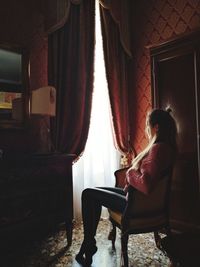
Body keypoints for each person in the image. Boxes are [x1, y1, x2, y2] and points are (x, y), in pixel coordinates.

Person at [75, 108, 177, 266]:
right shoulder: (168, 148)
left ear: (156, 127)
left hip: (136, 205)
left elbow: (145, 185)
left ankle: (89, 244)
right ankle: (89, 243)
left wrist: (130, 174)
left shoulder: (157, 149)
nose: (146, 129)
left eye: (148, 125)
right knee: (96, 191)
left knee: (88, 194)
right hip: (140, 201)